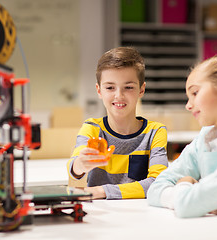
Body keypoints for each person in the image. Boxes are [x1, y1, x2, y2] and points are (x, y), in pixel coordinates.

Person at [147, 54, 217, 218]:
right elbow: (155, 190)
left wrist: (186, 184)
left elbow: (187, 205)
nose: (188, 105)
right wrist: (207, 201)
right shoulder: (206, 138)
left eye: (195, 93)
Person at [67, 47, 168, 199]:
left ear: (141, 90)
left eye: (128, 87)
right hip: (102, 215)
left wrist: (103, 191)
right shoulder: (92, 128)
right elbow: (74, 167)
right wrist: (80, 164)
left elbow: (158, 183)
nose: (119, 95)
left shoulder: (155, 132)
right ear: (99, 90)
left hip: (142, 214)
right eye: (110, 87)